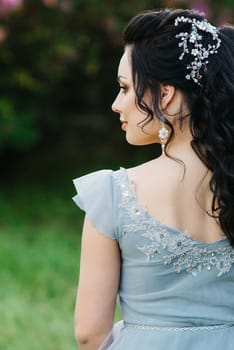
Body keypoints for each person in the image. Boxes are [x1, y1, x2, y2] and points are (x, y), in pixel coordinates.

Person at [72, 8, 234, 350]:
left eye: (126, 88)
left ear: (165, 95)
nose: (117, 104)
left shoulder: (112, 194)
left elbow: (89, 334)